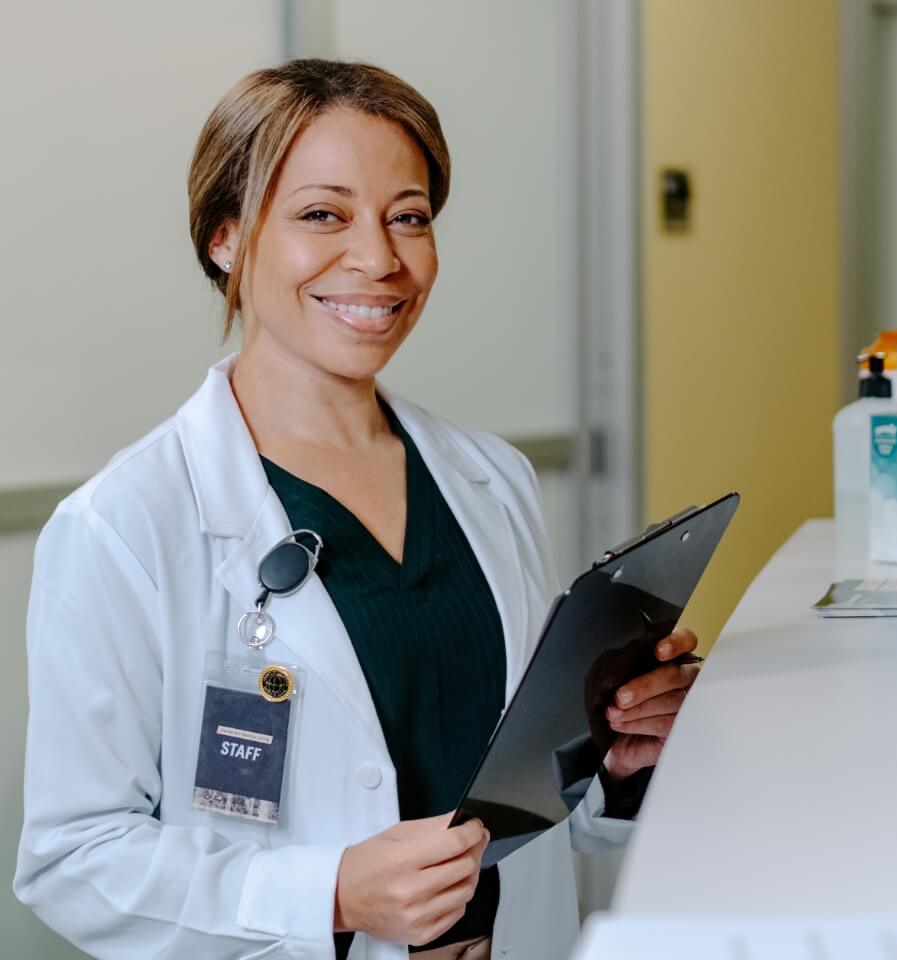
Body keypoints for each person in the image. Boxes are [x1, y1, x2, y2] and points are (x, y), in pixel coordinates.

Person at [14, 59, 700, 960]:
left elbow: (521, 797)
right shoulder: (126, 525)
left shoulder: (491, 480)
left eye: (408, 217)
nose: (379, 259)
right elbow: (72, 858)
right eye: (322, 215)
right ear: (226, 238)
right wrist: (329, 894)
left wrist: (617, 767)